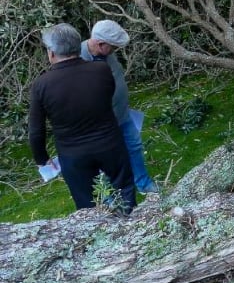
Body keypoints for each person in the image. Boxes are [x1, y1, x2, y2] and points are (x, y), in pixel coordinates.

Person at [29, 23, 136, 213]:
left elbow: (36, 131)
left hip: (74, 155)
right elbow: (107, 99)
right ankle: (134, 229)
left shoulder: (41, 85)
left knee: (88, 206)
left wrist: (42, 159)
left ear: (51, 53)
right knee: (125, 191)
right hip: (110, 144)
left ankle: (101, 236)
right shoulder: (101, 70)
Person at [81, 19, 160, 194]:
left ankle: (144, 184)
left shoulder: (106, 54)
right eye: (113, 47)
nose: (115, 51)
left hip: (122, 115)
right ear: (100, 44)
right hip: (100, 125)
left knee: (134, 146)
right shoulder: (78, 59)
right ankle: (109, 197)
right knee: (104, 159)